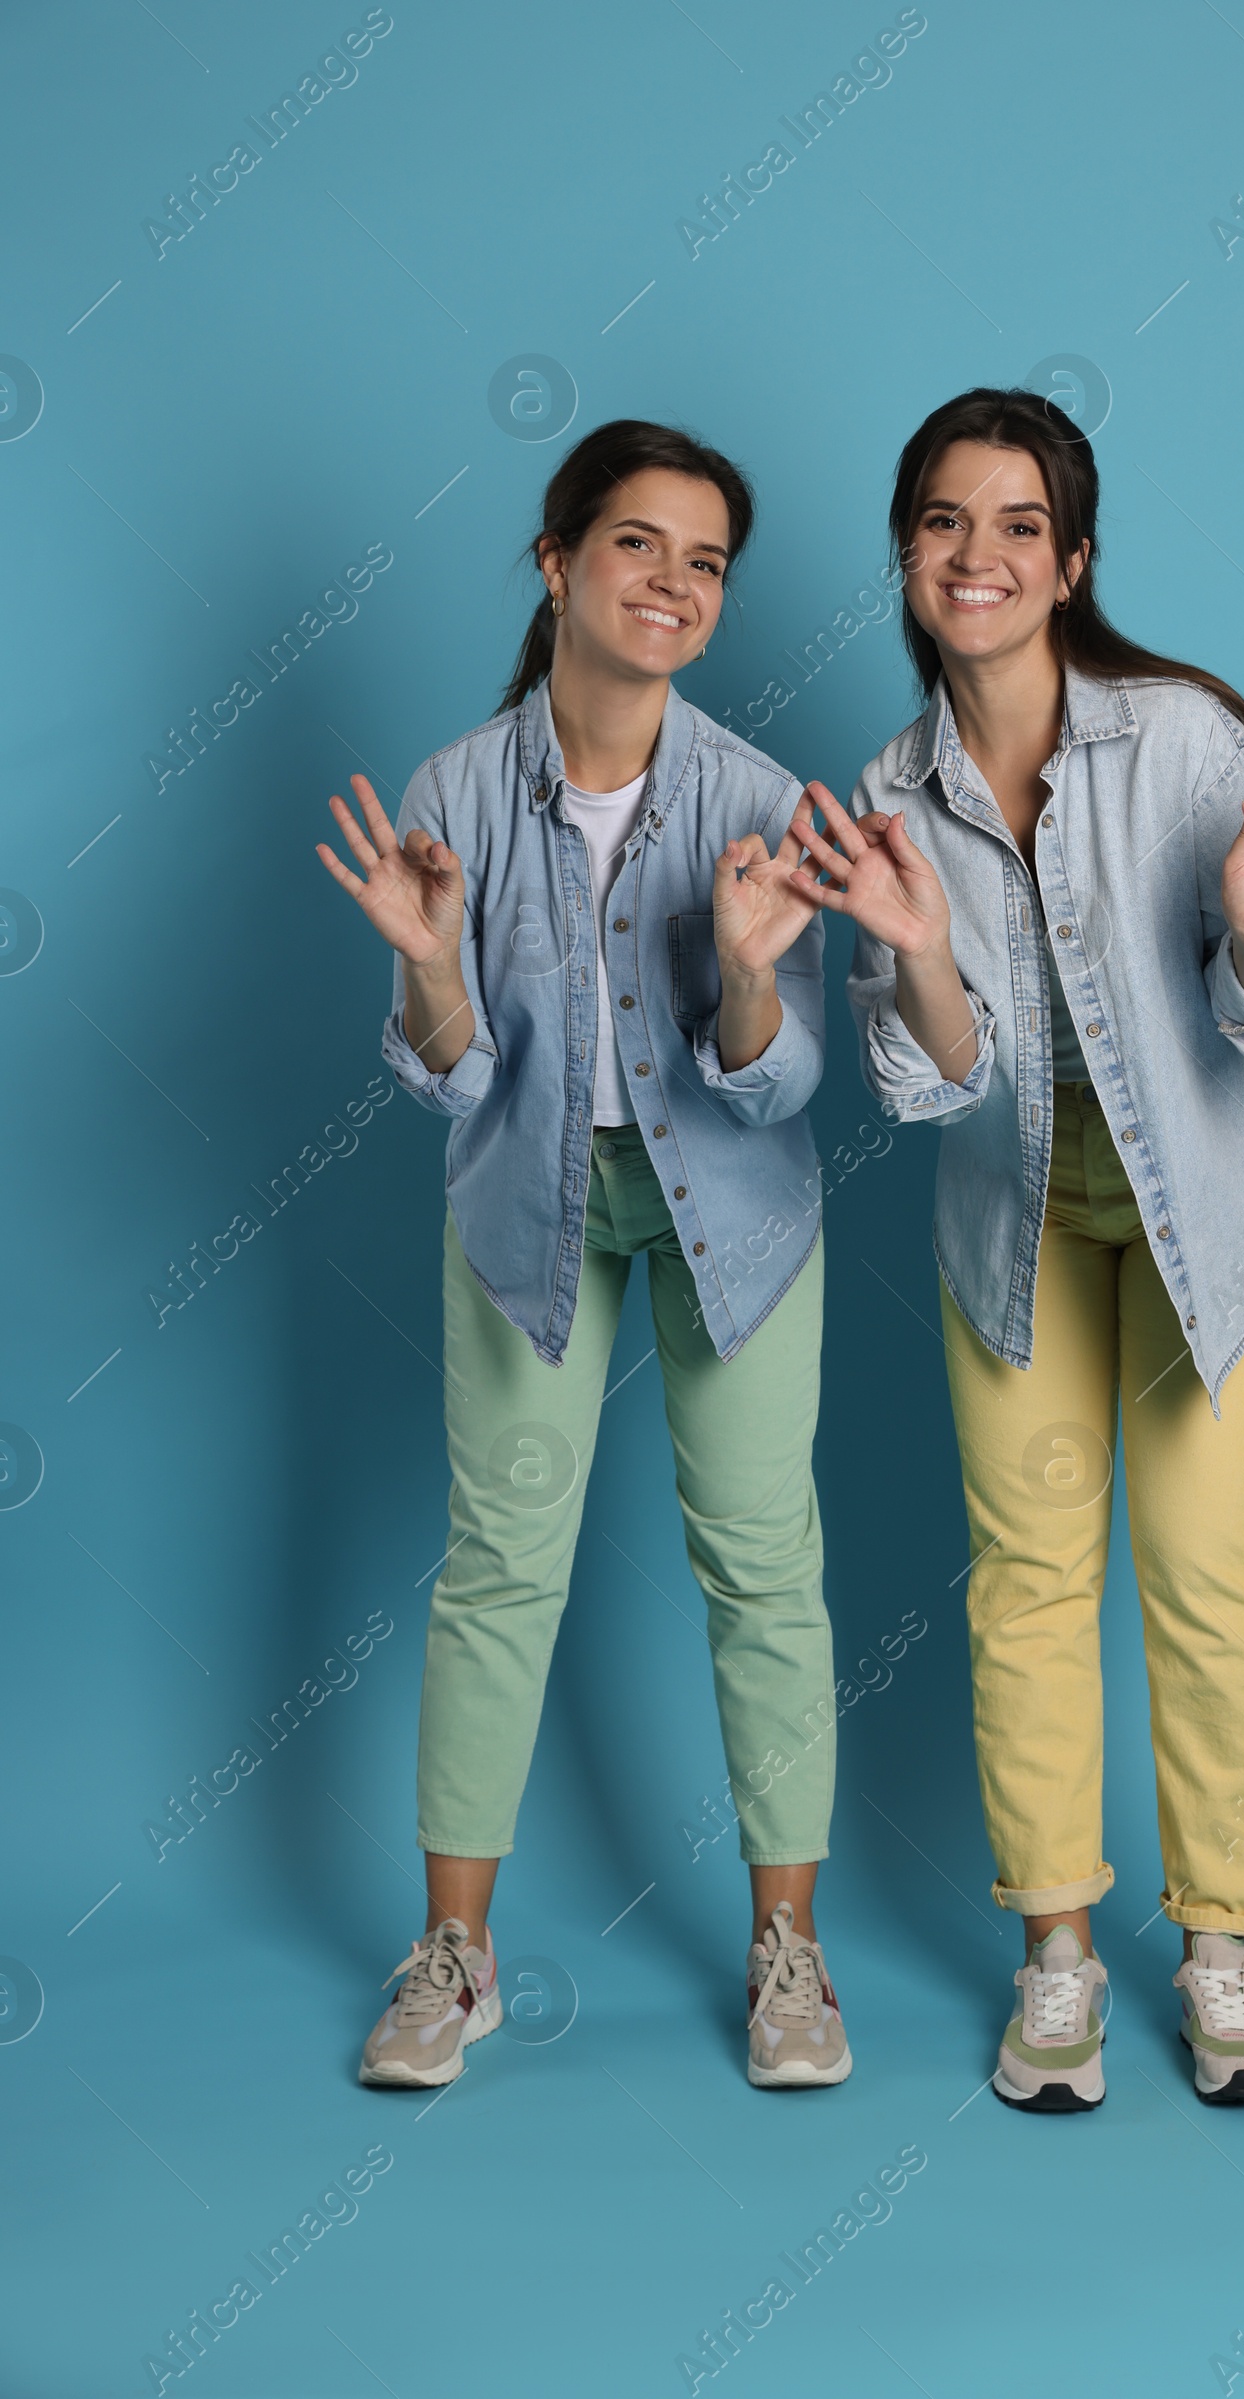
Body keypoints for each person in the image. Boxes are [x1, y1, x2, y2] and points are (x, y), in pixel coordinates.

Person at [784, 388, 1244, 2111]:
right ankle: (1057, 1957)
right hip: (1015, 1229)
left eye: (1019, 524)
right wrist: (911, 945)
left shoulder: (1185, 740)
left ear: (1073, 561)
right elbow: (923, 1080)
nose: (980, 553)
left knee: (1204, 1567)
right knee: (1028, 1581)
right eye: (947, 520)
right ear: (906, 553)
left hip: (1219, 1227)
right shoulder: (890, 797)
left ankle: (1223, 1949)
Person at [316, 419, 851, 2092]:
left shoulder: (760, 799)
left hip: (735, 1217)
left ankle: (791, 1957)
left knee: (765, 1565)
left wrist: (754, 971)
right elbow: (454, 1079)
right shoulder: (454, 791)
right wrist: (428, 969)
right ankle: (455, 1956)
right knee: (498, 1565)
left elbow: (778, 1082)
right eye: (639, 545)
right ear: (556, 563)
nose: (673, 585)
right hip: (525, 1205)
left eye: (704, 563)